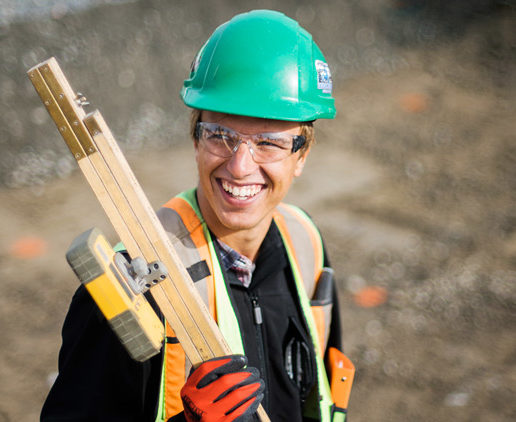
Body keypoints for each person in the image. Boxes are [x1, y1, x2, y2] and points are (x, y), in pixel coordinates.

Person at [41, 9, 352, 422]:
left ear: (301, 155)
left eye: (269, 143)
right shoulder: (133, 280)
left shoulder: (305, 245)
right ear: (195, 138)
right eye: (220, 136)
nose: (240, 167)